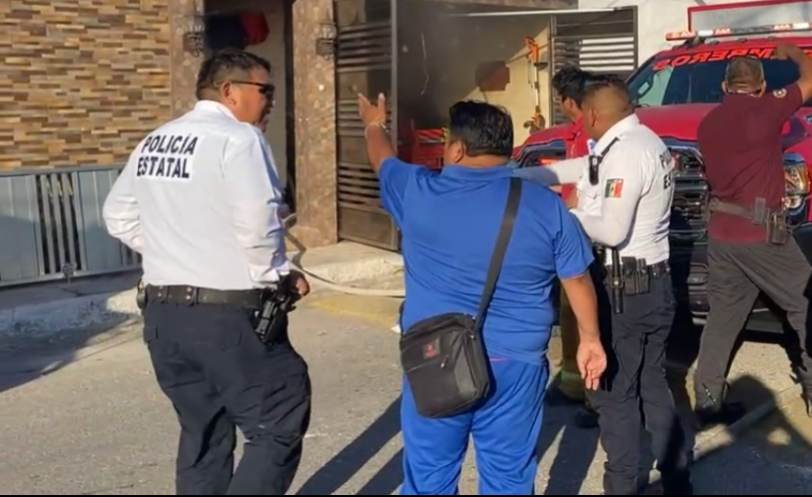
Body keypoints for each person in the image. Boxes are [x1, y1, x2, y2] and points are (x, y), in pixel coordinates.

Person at [358, 94, 607, 495]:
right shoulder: (545, 206)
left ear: (456, 148)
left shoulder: (418, 192)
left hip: (436, 359)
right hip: (517, 364)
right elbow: (577, 278)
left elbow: (381, 159)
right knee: (508, 477)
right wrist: (590, 339)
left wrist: (374, 123)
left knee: (430, 477)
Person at [102, 48, 311, 495]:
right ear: (229, 90)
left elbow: (117, 216)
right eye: (265, 91)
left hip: (164, 319)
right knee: (278, 420)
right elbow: (258, 222)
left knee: (204, 433)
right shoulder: (240, 139)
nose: (270, 101)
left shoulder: (157, 138)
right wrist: (277, 274)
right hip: (227, 319)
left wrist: (175, 246)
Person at [515, 75, 694, 495]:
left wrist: (564, 219)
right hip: (651, 285)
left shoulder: (627, 154)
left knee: (616, 399)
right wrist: (517, 176)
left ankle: (623, 486)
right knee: (653, 385)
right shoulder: (639, 141)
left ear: (593, 114)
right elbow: (582, 168)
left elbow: (612, 231)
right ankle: (677, 477)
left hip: (625, 293)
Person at [694, 45, 812, 421]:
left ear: (724, 85)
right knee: (808, 307)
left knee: (723, 318)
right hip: (761, 233)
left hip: (721, 234)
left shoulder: (709, 123)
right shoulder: (766, 109)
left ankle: (707, 400)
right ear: (762, 85)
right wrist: (794, 53)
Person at [549, 66, 601, 428]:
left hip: (583, 234)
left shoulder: (590, 137)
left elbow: (585, 187)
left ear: (570, 101)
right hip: (573, 229)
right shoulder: (579, 133)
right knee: (569, 314)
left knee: (585, 315)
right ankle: (572, 384)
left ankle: (593, 395)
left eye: (559, 101)